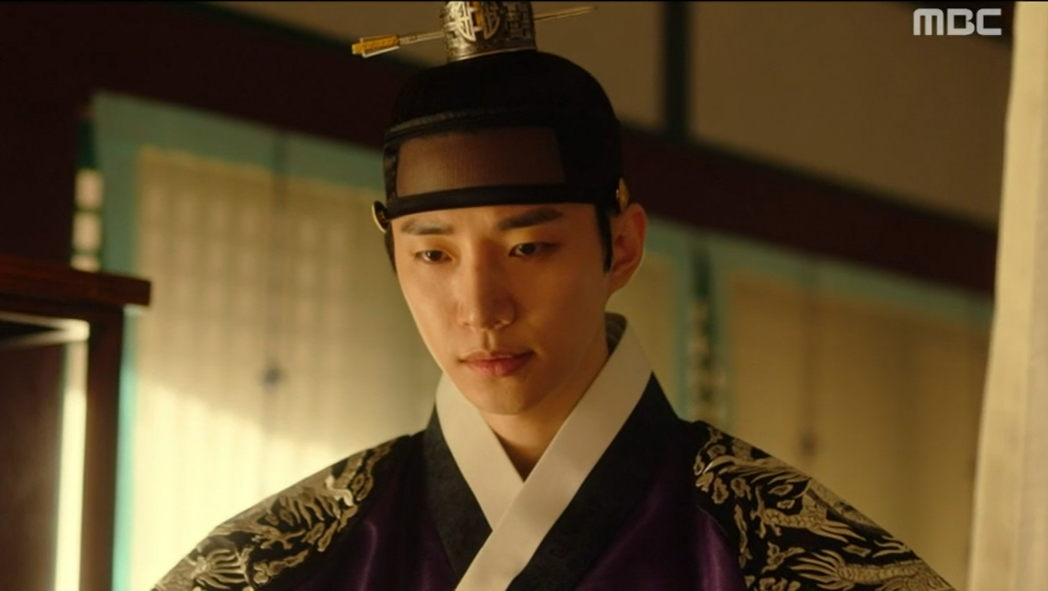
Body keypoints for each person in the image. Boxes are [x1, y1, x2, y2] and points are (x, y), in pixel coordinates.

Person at [154, 3, 956, 590]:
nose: (480, 307)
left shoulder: (786, 547)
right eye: (432, 253)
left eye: (528, 247)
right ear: (391, 253)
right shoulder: (282, 558)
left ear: (622, 245)